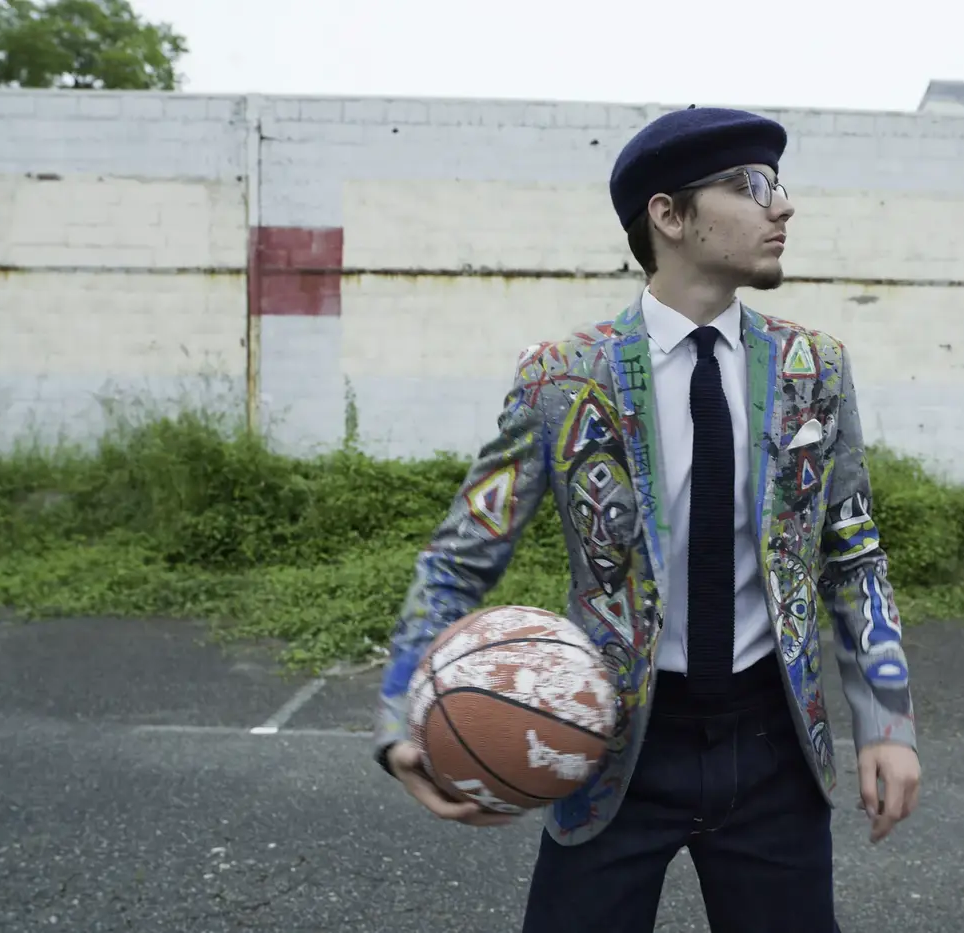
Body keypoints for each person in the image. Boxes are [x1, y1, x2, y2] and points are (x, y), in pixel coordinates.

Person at [372, 105, 921, 932]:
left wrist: (887, 721)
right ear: (668, 215)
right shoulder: (563, 377)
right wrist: (396, 715)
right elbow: (460, 555)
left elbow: (853, 555)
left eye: (778, 184)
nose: (783, 205)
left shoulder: (816, 369)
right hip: (606, 743)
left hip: (772, 741)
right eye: (751, 185)